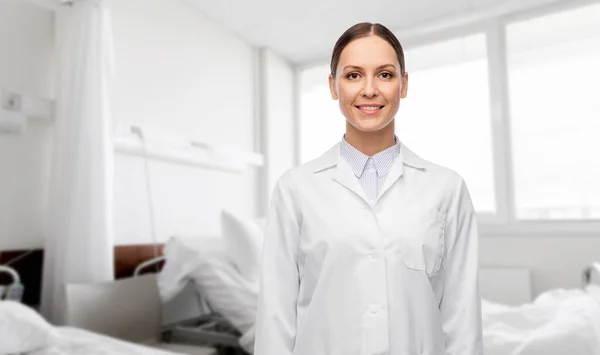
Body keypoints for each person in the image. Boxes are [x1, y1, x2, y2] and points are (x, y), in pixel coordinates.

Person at [254, 22, 483, 355]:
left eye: (385, 75)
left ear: (404, 85)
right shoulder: (295, 190)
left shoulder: (447, 189)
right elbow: (275, 317)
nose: (370, 90)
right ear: (333, 86)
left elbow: (463, 321)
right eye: (353, 75)